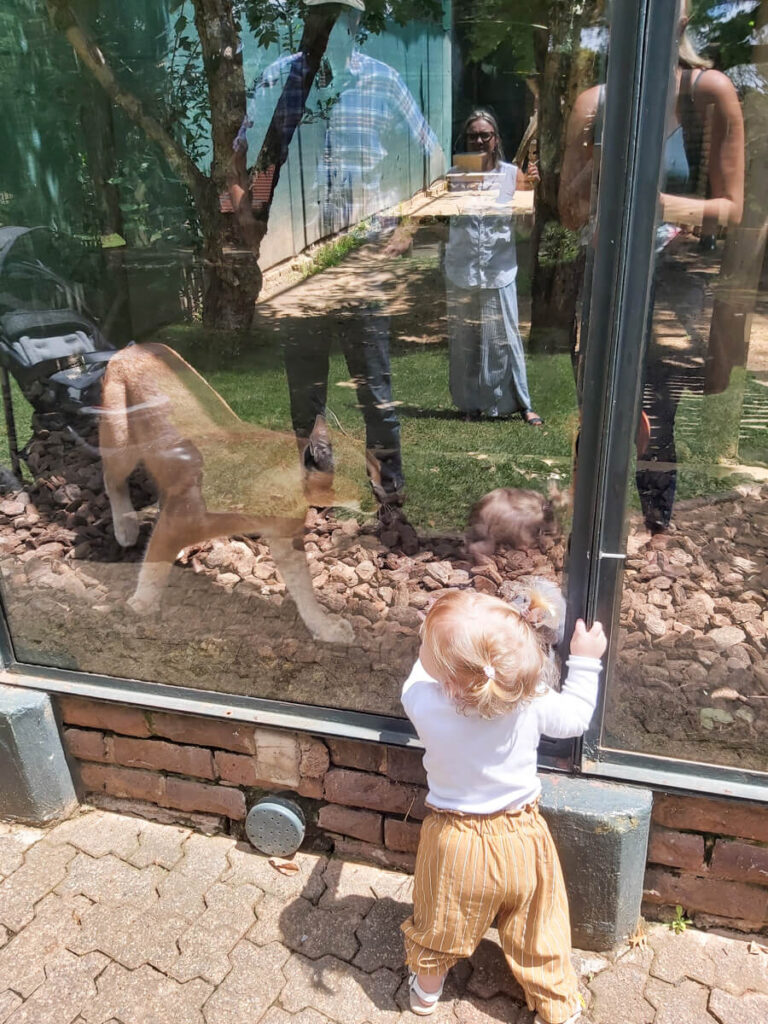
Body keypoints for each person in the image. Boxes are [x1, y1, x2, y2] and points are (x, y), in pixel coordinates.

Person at [231, 0, 443, 549]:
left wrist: (407, 227)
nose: (330, 26)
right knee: (306, 390)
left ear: (355, 23)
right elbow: (242, 157)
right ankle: (317, 496)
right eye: (321, 15)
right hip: (298, 266)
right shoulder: (280, 80)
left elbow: (429, 160)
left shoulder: (383, 81)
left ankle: (390, 503)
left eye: (340, 16)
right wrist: (252, 217)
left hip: (361, 263)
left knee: (376, 387)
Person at [559, 0, 744, 533]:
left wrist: (652, 204)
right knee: (596, 415)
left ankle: (656, 535)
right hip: (603, 284)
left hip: (673, 286)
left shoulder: (706, 92)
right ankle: (589, 535)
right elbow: (572, 214)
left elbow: (732, 211)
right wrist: (596, 156)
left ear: (680, 17)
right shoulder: (592, 103)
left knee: (656, 419)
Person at [400, 587, 606, 1024]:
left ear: (448, 676)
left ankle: (425, 993)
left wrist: (435, 646)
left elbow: (419, 676)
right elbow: (575, 718)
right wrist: (585, 659)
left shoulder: (422, 702)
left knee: (440, 920)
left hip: (454, 844)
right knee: (539, 925)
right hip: (523, 838)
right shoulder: (529, 702)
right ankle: (558, 1005)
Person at [444, 111, 542, 425]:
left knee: (505, 338)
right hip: (462, 268)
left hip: (499, 268)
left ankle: (522, 404)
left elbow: (526, 228)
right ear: (466, 139)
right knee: (465, 339)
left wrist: (532, 192)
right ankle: (470, 404)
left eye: (486, 135)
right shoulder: (454, 176)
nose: (480, 140)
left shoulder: (513, 175)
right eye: (474, 135)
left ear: (496, 138)